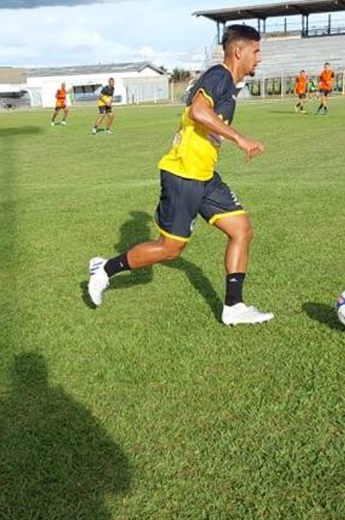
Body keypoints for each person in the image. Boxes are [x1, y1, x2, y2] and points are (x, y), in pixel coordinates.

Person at [87, 24, 274, 326]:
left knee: (241, 230)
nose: (259, 58)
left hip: (205, 175)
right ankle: (104, 269)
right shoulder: (219, 75)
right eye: (256, 50)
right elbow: (198, 112)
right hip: (183, 174)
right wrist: (240, 139)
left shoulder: (228, 83)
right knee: (170, 249)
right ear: (238, 51)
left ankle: (234, 306)